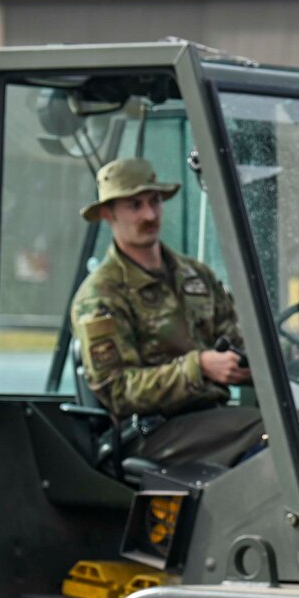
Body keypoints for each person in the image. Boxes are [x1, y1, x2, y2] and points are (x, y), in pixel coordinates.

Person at [69, 157, 266, 466]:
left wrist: (290, 356)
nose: (149, 215)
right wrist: (198, 367)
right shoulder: (100, 295)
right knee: (274, 436)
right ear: (109, 214)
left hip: (212, 422)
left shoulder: (196, 276)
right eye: (135, 206)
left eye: (154, 201)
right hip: (150, 433)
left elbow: (238, 341)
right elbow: (117, 389)